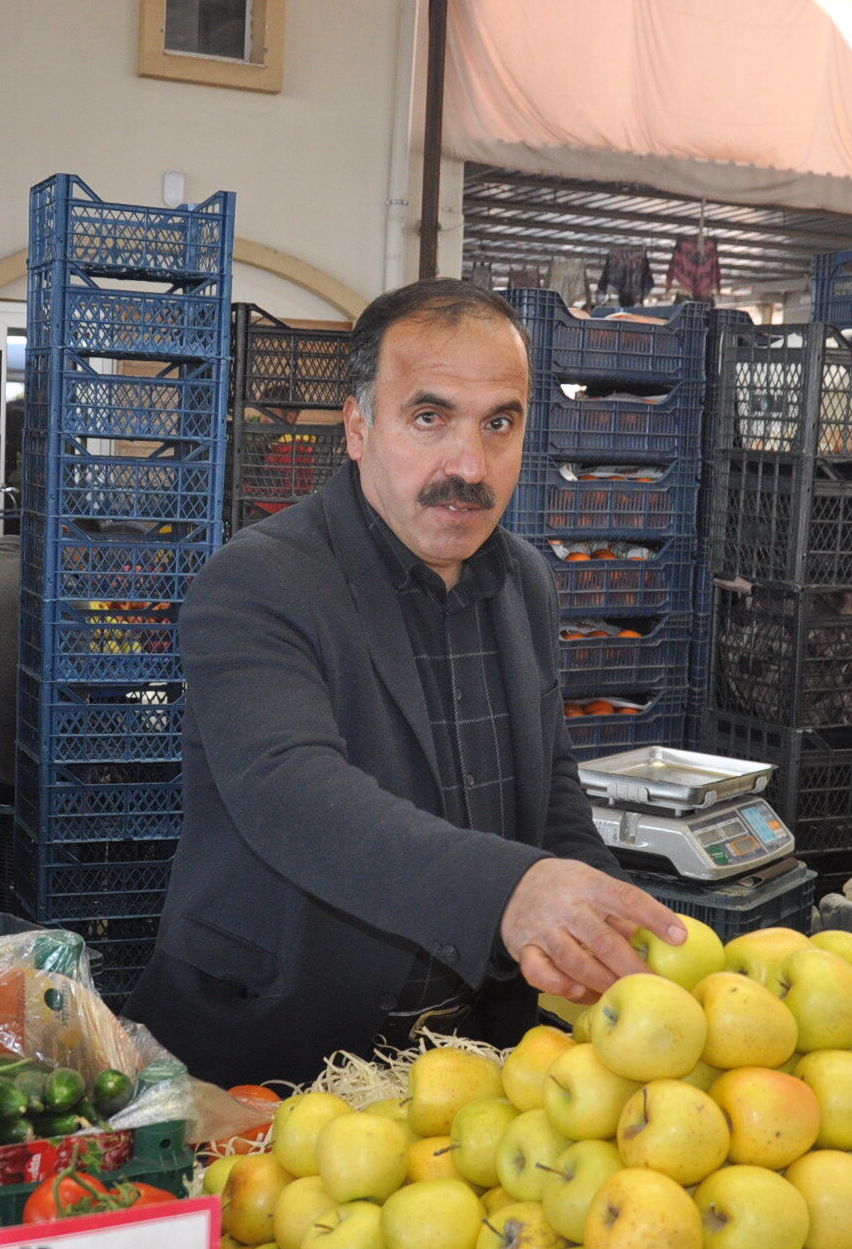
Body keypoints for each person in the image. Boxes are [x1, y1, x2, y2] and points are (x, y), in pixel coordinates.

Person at [124, 278, 686, 1087]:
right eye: (429, 418)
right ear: (358, 427)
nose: (469, 465)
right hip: (276, 1060)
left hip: (473, 1064)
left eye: (500, 424)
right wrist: (512, 891)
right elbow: (292, 794)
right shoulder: (257, 582)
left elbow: (550, 788)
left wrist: (614, 932)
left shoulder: (525, 580)